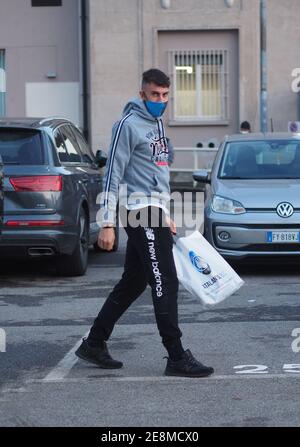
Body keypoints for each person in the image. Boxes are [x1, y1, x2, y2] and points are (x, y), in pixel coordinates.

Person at [75, 68, 214, 378]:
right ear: (142, 94)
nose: (160, 101)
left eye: (165, 96)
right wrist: (107, 222)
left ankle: (94, 343)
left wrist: (166, 214)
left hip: (154, 211)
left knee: (134, 282)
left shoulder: (158, 124)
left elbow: (158, 174)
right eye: (154, 95)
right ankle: (176, 356)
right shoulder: (127, 125)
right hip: (138, 211)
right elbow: (112, 172)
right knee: (165, 281)